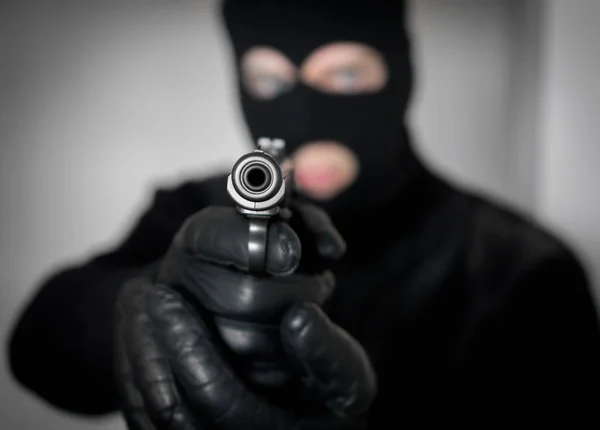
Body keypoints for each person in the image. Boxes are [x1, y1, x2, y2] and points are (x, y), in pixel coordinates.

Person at [8, 0, 600, 427]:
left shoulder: (520, 268)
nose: (305, 114)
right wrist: (145, 301)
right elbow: (39, 350)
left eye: (343, 74)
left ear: (401, 73)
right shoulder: (191, 211)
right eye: (269, 80)